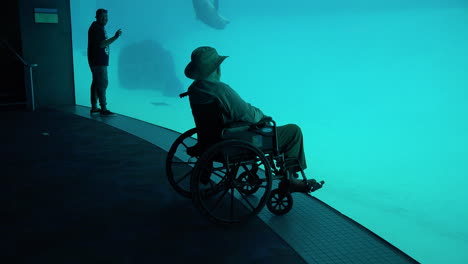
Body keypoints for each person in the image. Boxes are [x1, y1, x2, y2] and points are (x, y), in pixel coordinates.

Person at [184, 46, 323, 193]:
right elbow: (246, 113)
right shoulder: (219, 90)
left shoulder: (195, 89)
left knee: (272, 129)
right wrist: (263, 117)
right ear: (217, 68)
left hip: (212, 140)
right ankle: (290, 180)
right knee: (293, 131)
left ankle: (289, 177)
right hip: (236, 140)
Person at [87, 8, 122, 116]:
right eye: (102, 17)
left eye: (106, 17)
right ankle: (103, 108)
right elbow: (102, 44)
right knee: (102, 83)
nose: (105, 19)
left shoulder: (98, 27)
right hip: (98, 61)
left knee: (96, 83)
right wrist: (115, 37)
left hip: (96, 60)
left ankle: (94, 107)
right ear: (97, 17)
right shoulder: (97, 28)